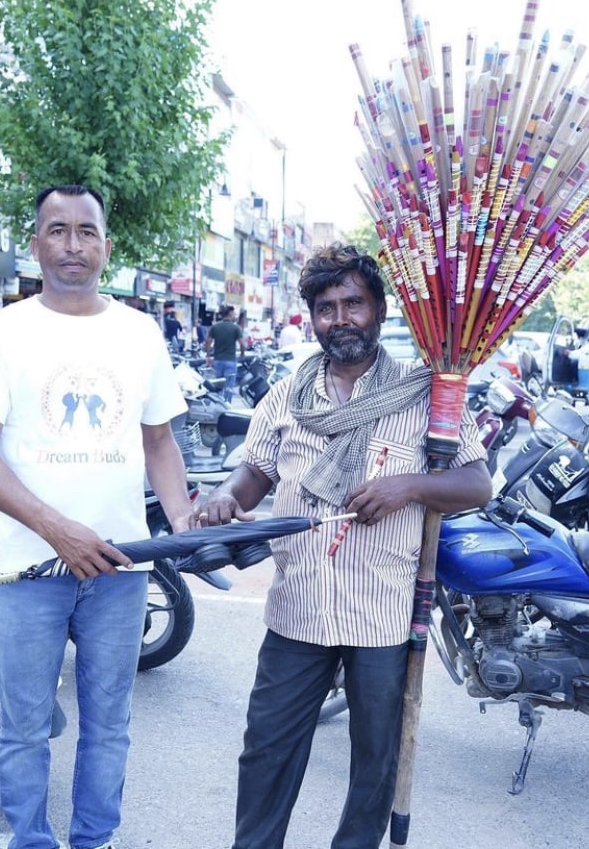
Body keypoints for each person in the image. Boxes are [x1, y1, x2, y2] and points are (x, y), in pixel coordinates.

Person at [197, 243, 492, 849]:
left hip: (382, 613)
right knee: (266, 752)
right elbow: (254, 472)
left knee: (375, 760)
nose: (340, 319)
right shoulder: (287, 396)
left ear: (379, 310)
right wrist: (228, 498)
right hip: (297, 607)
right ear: (312, 318)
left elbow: (476, 483)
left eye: (353, 303)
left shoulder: (426, 395)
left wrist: (409, 486)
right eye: (326, 308)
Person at [0, 185, 195, 849]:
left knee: (109, 722)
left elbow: (160, 440)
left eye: (87, 231)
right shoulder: (1, 333)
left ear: (106, 245)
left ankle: (94, 840)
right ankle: (30, 840)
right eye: (58, 230)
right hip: (30, 567)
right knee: (24, 725)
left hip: (119, 568)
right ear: (35, 243)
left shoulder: (139, 332)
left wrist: (184, 519)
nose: (73, 244)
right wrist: (58, 529)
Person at [205, 304, 246, 405]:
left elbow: (208, 342)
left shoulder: (215, 327)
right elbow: (242, 344)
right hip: (230, 361)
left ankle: (218, 405)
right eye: (233, 313)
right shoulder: (236, 328)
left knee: (218, 385)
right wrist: (242, 353)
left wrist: (208, 356)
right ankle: (227, 406)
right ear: (230, 314)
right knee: (229, 386)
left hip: (218, 361)